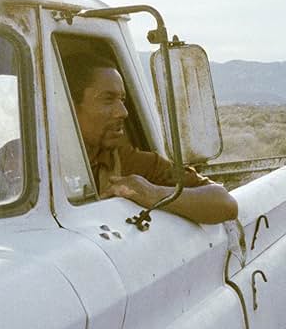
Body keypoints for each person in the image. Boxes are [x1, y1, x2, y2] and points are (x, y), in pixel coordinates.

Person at [64, 51, 237, 225]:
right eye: (108, 99)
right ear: (68, 106)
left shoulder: (126, 162)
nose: (123, 112)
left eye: (122, 100)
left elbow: (225, 203)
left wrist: (152, 193)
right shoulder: (40, 166)